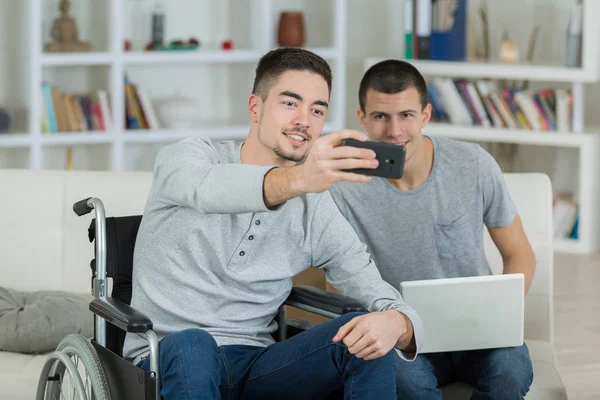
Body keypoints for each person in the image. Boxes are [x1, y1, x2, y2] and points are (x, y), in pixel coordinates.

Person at [122, 48, 424, 400]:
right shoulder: (187, 158)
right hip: (165, 358)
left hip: (257, 365)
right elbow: (207, 190)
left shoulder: (315, 206)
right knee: (193, 343)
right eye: (289, 103)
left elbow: (375, 289)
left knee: (363, 336)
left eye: (317, 110)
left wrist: (396, 323)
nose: (304, 120)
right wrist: (298, 179)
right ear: (255, 107)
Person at [327, 59, 536, 399]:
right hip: (401, 338)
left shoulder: (474, 164)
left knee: (511, 373)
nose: (395, 131)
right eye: (381, 117)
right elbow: (337, 286)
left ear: (425, 115)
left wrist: (504, 313)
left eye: (406, 115)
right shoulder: (344, 187)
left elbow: (519, 253)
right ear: (362, 118)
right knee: (406, 385)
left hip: (479, 332)